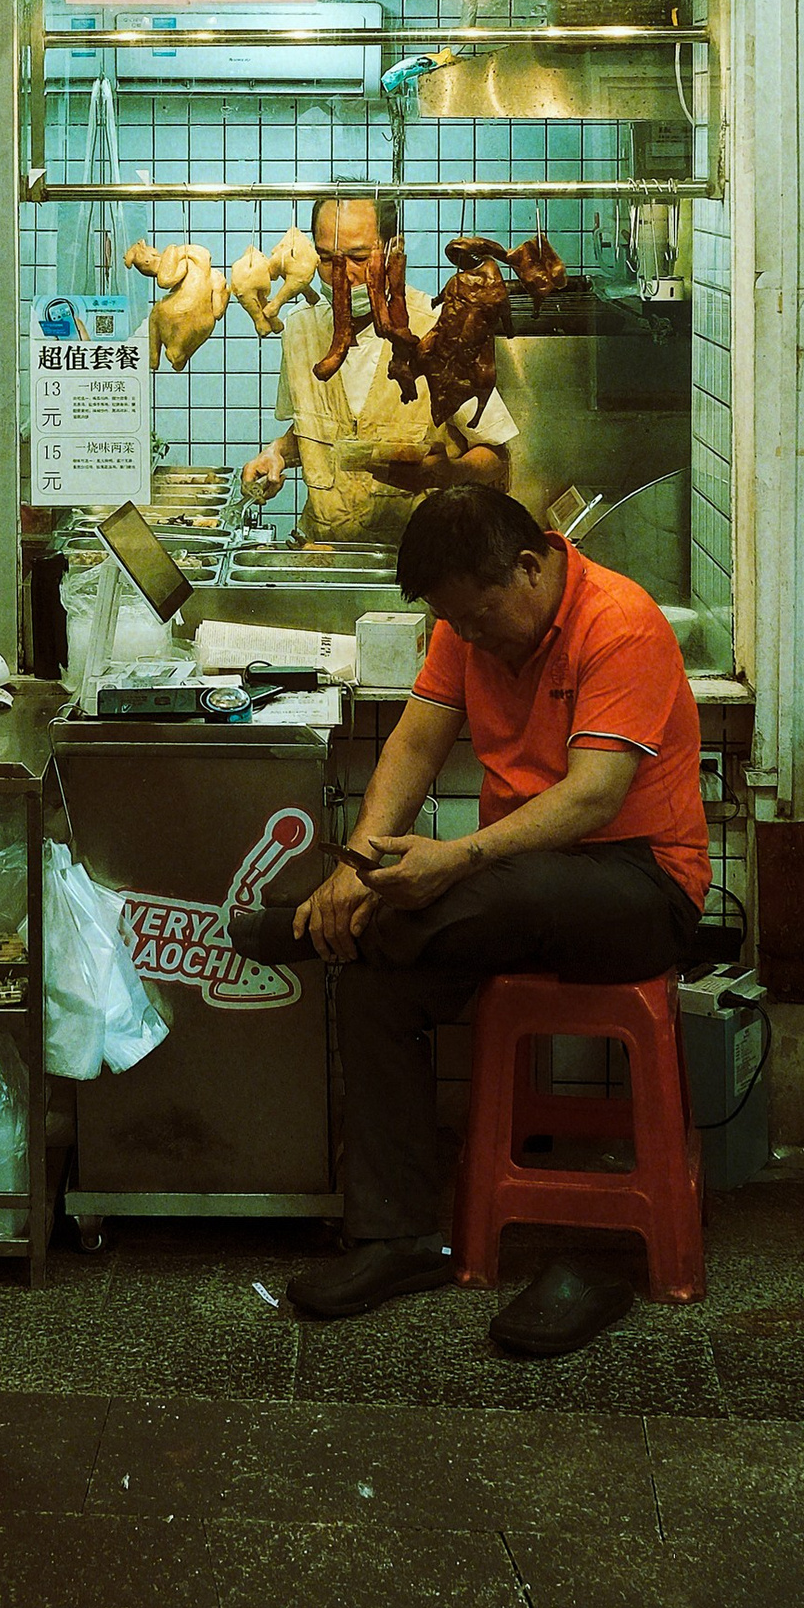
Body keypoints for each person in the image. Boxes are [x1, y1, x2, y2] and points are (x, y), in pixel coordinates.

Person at [231, 484, 709, 1358]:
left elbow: (593, 795)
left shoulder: (622, 623)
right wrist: (365, 861)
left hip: (640, 886)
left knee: (498, 880)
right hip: (514, 876)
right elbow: (414, 741)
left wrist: (449, 858)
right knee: (379, 983)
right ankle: (401, 1238)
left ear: (530, 566)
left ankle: (297, 931)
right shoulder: (465, 620)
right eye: (462, 624)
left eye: (484, 619)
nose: (475, 638)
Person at [238, 190, 516, 546]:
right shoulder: (300, 328)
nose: (343, 274)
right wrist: (277, 452)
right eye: (326, 258)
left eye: (357, 257)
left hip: (425, 560)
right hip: (327, 556)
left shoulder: (438, 326)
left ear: (391, 249)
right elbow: (317, 427)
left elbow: (497, 455)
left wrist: (449, 473)